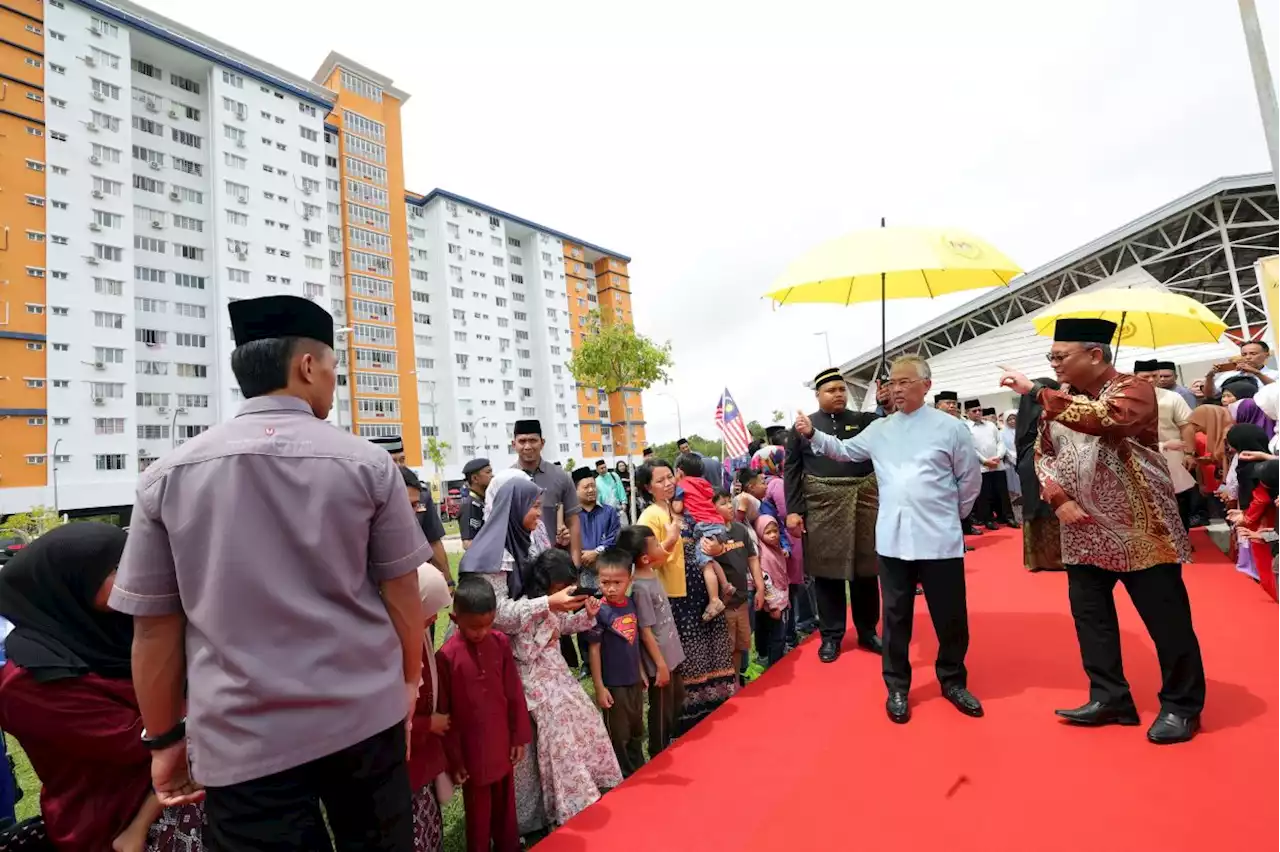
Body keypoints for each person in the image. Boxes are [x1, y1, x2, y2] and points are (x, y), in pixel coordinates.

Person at [110, 295, 428, 851]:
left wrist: (163, 741)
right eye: (334, 369)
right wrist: (407, 682)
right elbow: (402, 592)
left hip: (242, 739)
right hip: (362, 718)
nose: (335, 381)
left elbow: (155, 627)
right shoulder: (369, 465)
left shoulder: (166, 477)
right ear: (307, 366)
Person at [1000, 317, 1205, 745]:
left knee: (1166, 621)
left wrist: (1036, 392)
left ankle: (1181, 706)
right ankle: (1110, 697)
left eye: (1060, 356)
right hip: (1082, 531)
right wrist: (1059, 499)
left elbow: (1108, 420)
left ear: (1095, 355)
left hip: (1141, 530)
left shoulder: (1132, 390)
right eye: (1050, 358)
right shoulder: (1063, 396)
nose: (1054, 364)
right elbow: (1043, 454)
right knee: (1091, 620)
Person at [795, 354, 984, 724]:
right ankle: (897, 686)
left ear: (925, 386)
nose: (895, 389)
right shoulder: (880, 430)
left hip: (939, 539)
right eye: (892, 383)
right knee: (896, 618)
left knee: (950, 616)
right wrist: (812, 435)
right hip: (894, 540)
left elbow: (970, 480)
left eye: (904, 382)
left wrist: (953, 515)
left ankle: (952, 680)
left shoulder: (950, 428)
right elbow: (845, 451)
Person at [0, 523, 204, 852]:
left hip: (175, 790)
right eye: (116, 568)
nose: (137, 576)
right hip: (114, 823)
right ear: (70, 582)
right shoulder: (30, 682)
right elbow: (147, 741)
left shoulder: (128, 628)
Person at [505, 549, 620, 833]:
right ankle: (572, 801)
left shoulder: (553, 606)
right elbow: (522, 650)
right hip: (536, 681)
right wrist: (549, 632)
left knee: (586, 719)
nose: (564, 593)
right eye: (559, 588)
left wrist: (585, 617)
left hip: (556, 673)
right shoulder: (526, 608)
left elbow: (563, 626)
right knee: (559, 738)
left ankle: (592, 782)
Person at [784, 368, 883, 664]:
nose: (839, 394)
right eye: (831, 390)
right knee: (827, 575)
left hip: (864, 503)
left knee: (866, 572)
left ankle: (867, 631)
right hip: (821, 508)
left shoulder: (866, 421)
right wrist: (793, 511)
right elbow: (792, 470)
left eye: (842, 389)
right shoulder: (804, 426)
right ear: (818, 395)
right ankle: (831, 636)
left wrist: (886, 405)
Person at [636, 459, 737, 730]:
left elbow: (712, 539)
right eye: (660, 480)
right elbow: (646, 560)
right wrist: (670, 538)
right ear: (647, 487)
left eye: (670, 477)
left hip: (700, 588)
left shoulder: (683, 506)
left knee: (710, 645)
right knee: (688, 652)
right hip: (674, 594)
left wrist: (716, 548)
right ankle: (690, 717)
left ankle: (715, 704)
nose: (668, 483)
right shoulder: (649, 517)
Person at [438, 578, 531, 852]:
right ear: (455, 618)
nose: (482, 632)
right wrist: (455, 760)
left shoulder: (500, 642)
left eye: (488, 624)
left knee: (505, 805)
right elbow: (445, 713)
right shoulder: (446, 657)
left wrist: (517, 738)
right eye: (474, 627)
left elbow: (513, 692)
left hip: (501, 741)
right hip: (472, 752)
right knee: (478, 812)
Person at [619, 526, 687, 757]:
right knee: (661, 710)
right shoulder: (639, 587)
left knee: (676, 701)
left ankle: (671, 741)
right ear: (645, 558)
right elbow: (646, 631)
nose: (662, 546)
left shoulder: (652, 573)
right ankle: (659, 750)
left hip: (671, 652)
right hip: (660, 660)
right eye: (657, 545)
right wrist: (659, 665)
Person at [586, 549, 647, 778]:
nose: (611, 588)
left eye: (617, 582)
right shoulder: (599, 611)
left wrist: (640, 670)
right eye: (605, 582)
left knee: (636, 727)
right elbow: (594, 650)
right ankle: (620, 774)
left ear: (630, 580)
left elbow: (635, 640)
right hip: (613, 683)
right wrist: (600, 687)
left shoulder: (631, 604)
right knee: (618, 732)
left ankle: (638, 767)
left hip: (633, 679)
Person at [409, 565, 453, 852]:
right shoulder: (396, 642)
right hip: (408, 757)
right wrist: (427, 724)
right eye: (430, 609)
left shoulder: (417, 632)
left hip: (424, 751)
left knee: (430, 820)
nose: (436, 617)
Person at [1135, 359, 1198, 531]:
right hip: (1138, 456)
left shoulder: (1172, 397)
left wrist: (1189, 453)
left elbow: (1186, 425)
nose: (1150, 380)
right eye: (1145, 376)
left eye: (1154, 375)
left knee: (1178, 498)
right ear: (1135, 376)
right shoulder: (1127, 399)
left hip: (1173, 456)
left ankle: (1182, 538)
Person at [710, 490, 764, 683]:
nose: (729, 506)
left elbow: (752, 558)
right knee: (726, 646)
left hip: (742, 598)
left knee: (741, 645)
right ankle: (725, 685)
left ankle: (736, 681)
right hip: (724, 603)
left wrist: (760, 587)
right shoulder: (710, 533)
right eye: (723, 503)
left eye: (729, 502)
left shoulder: (741, 530)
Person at [673, 455, 735, 620]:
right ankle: (725, 585)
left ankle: (714, 599)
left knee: (705, 564)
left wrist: (675, 501)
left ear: (679, 471)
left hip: (705, 527)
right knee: (710, 560)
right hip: (718, 525)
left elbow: (678, 506)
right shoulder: (705, 483)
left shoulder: (682, 485)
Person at [513, 420, 581, 566]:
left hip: (554, 564)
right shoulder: (507, 479)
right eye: (522, 441)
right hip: (519, 563)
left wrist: (575, 566)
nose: (528, 446)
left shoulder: (560, 477)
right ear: (514, 444)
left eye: (533, 440)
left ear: (542, 443)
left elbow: (573, 523)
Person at [1014, 377, 1064, 572]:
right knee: (1048, 505)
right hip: (1042, 463)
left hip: (1033, 463)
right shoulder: (1049, 413)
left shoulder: (1025, 417)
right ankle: (1058, 557)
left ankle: (1037, 560)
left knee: (1047, 505)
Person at [1223, 425, 1271, 582]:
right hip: (1258, 517)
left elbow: (1261, 498)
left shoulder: (1256, 468)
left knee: (1263, 560)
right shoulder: (1265, 463)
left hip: (1262, 521)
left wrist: (1246, 517)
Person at [400, 466, 454, 585]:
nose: (411, 512)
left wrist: (448, 581)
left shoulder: (422, 495)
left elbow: (433, 541)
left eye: (415, 505)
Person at [965, 399, 1015, 529]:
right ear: (967, 413)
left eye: (979, 410)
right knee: (984, 495)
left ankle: (1007, 517)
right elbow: (970, 448)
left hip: (998, 465)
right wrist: (984, 461)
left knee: (1002, 493)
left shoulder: (990, 425)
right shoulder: (965, 427)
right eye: (974, 411)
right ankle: (988, 519)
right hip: (981, 467)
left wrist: (998, 457)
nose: (978, 413)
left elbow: (1000, 442)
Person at [573, 467, 622, 593]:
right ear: (576, 490)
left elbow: (615, 536)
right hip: (579, 575)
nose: (591, 490)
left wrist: (596, 552)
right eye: (586, 487)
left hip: (605, 574)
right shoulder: (571, 516)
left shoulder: (609, 512)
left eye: (593, 486)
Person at [752, 515, 790, 667]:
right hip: (775, 604)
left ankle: (768, 659)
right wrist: (774, 605)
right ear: (760, 533)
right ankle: (775, 664)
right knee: (777, 636)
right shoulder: (764, 556)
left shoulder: (775, 550)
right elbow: (766, 582)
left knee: (770, 633)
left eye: (775, 531)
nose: (773, 535)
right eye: (768, 532)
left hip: (777, 600)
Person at [1204, 339, 1278, 398]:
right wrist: (1209, 377)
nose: (1248, 357)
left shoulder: (1275, 375)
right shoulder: (1229, 375)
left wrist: (1256, 373)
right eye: (1244, 354)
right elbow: (1211, 395)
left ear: (1266, 355)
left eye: (1253, 354)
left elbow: (1277, 391)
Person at [459, 458, 493, 550]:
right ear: (475, 478)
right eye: (488, 472)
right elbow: (468, 543)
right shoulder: (470, 505)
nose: (492, 475)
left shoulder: (482, 501)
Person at [1001, 410, 1021, 503]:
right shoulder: (1002, 433)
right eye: (1009, 419)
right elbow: (1003, 447)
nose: (1012, 421)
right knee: (1013, 480)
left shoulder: (1022, 429)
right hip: (1010, 461)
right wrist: (1013, 457)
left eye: (1014, 418)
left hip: (1023, 458)